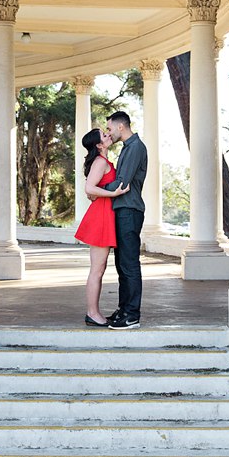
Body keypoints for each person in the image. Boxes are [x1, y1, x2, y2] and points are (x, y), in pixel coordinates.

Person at [74, 126, 131, 327]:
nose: (108, 135)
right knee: (97, 270)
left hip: (104, 215)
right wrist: (114, 194)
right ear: (99, 145)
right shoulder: (100, 161)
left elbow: (94, 190)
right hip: (101, 217)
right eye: (104, 135)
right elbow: (89, 188)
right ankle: (92, 313)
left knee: (99, 268)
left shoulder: (103, 161)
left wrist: (101, 194)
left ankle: (94, 311)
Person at [100, 110, 149, 329]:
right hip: (123, 210)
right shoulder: (129, 148)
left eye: (110, 128)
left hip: (129, 210)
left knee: (129, 264)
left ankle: (131, 315)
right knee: (122, 264)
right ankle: (124, 309)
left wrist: (96, 189)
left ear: (121, 126)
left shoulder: (135, 147)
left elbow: (122, 183)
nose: (109, 133)